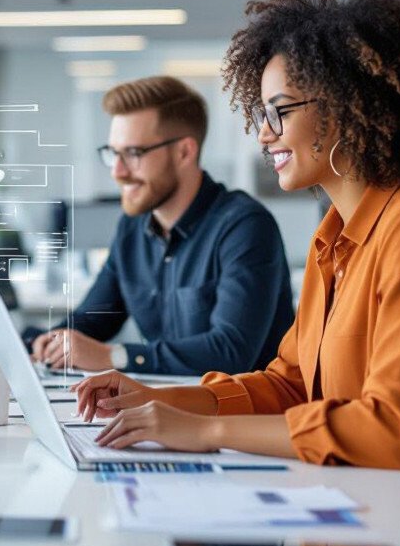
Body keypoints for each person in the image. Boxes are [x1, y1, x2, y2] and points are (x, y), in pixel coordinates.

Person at [74, 0, 400, 546]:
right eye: (263, 113)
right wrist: (162, 402)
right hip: (352, 526)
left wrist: (206, 431)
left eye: (279, 112)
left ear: (344, 107)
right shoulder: (332, 237)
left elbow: (395, 433)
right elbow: (292, 382)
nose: (264, 134)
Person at [31, 76, 293, 376]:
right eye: (113, 153)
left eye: (133, 154)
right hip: (166, 409)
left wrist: (114, 356)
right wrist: (49, 342)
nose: (118, 172)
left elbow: (230, 352)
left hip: (236, 415)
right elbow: (94, 320)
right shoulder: (132, 228)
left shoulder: (244, 227)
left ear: (184, 152)